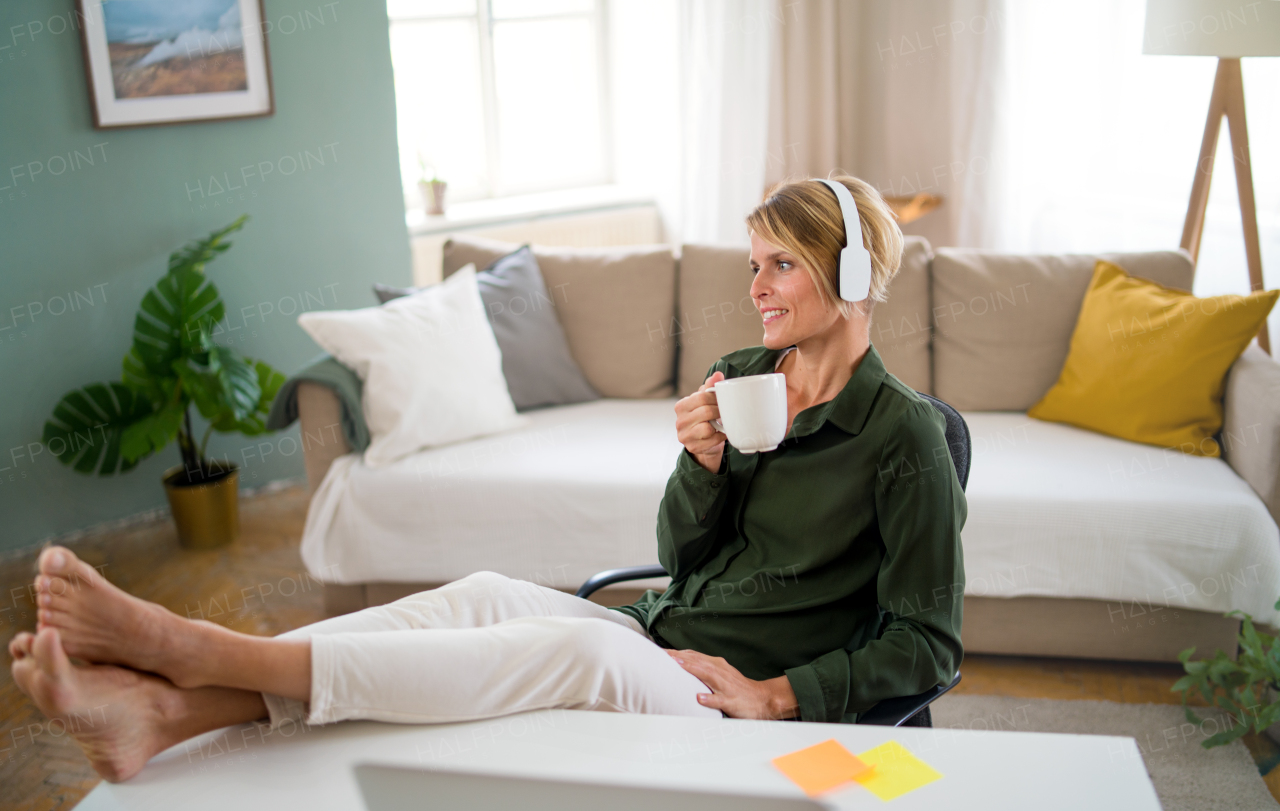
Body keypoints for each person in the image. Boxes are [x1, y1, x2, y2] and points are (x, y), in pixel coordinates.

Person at [10, 175, 965, 783]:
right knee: (484, 596)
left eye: (781, 265)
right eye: (753, 263)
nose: (755, 286)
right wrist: (701, 464)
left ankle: (201, 651)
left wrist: (779, 693)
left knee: (571, 652)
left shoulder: (904, 436)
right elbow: (684, 556)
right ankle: (170, 710)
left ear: (848, 276)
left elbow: (929, 644)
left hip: (727, 696)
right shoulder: (747, 378)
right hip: (661, 635)